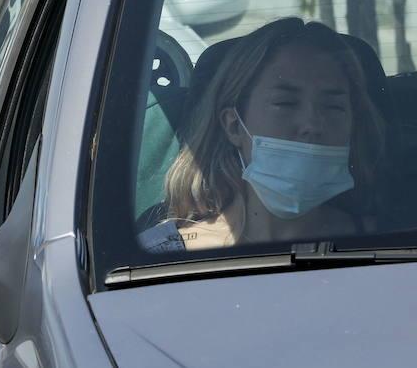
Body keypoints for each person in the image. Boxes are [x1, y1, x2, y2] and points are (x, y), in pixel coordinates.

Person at [140, 18, 385, 254]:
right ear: (234, 126)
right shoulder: (158, 256)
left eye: (333, 107)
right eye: (285, 103)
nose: (312, 124)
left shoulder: (392, 247)